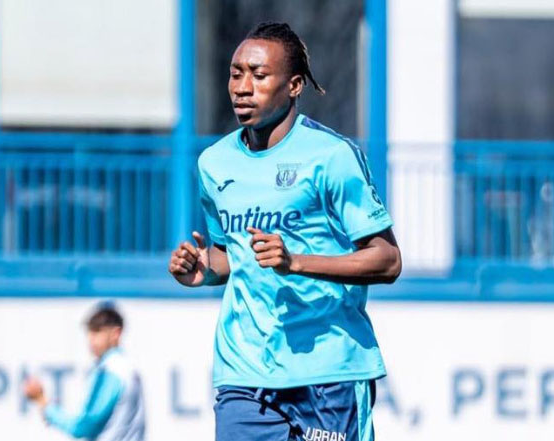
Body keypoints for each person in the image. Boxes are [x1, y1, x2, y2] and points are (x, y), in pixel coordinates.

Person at [168, 22, 401, 441]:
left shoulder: (332, 156)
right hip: (244, 371)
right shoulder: (214, 164)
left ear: (294, 86)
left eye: (259, 75)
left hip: (328, 372)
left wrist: (296, 262)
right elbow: (231, 254)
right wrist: (203, 267)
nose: (243, 87)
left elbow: (387, 260)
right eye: (236, 74)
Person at [24, 302, 145, 441]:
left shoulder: (111, 370)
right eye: (90, 332)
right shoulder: (128, 369)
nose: (91, 339)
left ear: (116, 333)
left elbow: (84, 427)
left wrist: (45, 405)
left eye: (97, 331)